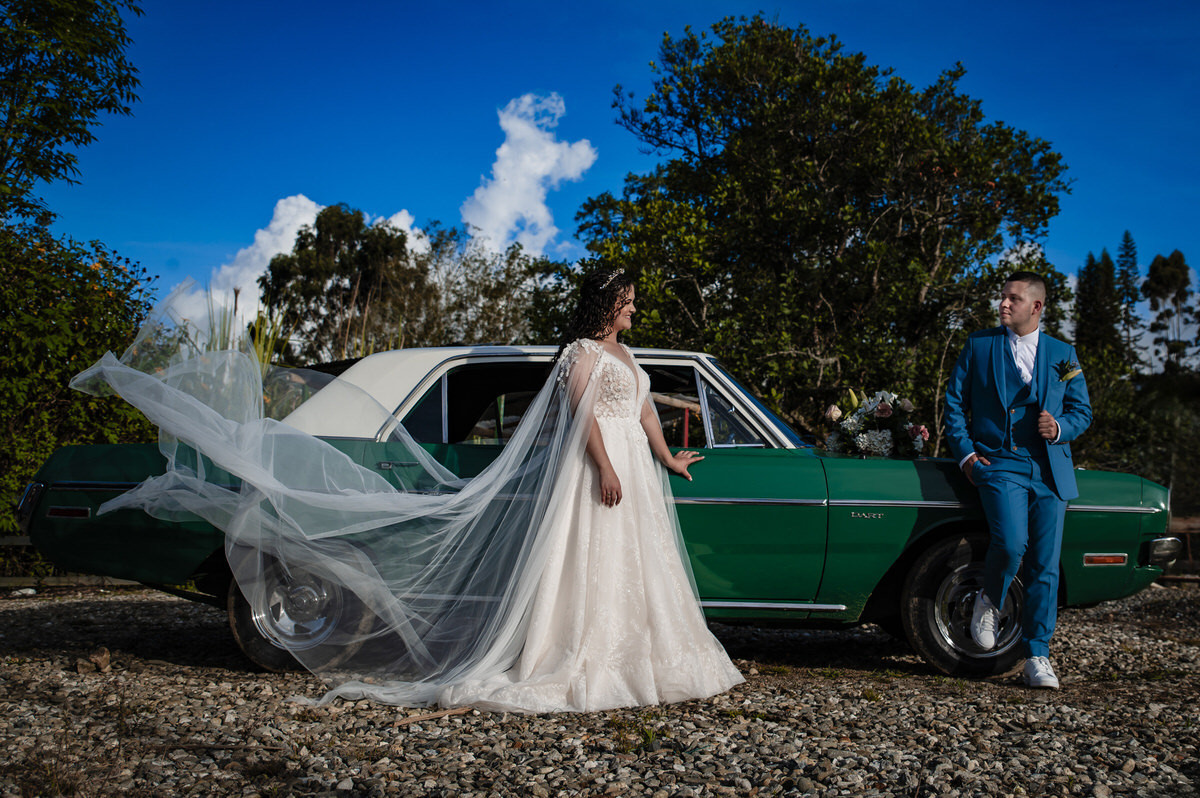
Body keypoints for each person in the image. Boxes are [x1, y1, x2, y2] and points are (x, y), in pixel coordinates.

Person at [70, 271, 743, 713]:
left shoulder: (628, 356)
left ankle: (637, 653)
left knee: (633, 566)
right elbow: (583, 412)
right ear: (607, 305)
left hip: (634, 467)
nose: (635, 307)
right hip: (598, 467)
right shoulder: (581, 354)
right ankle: (576, 655)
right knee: (586, 563)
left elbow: (642, 410)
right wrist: (606, 466)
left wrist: (665, 456)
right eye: (628, 299)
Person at [944, 271, 1092, 689]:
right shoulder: (979, 344)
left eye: (1013, 298)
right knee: (1011, 544)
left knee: (1045, 565)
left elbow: (1082, 411)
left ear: (1036, 307)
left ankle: (1037, 655)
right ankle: (989, 600)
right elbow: (954, 404)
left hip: (1049, 469)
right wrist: (967, 455)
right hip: (999, 463)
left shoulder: (1063, 355)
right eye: (1003, 297)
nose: (1004, 304)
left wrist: (1059, 427)